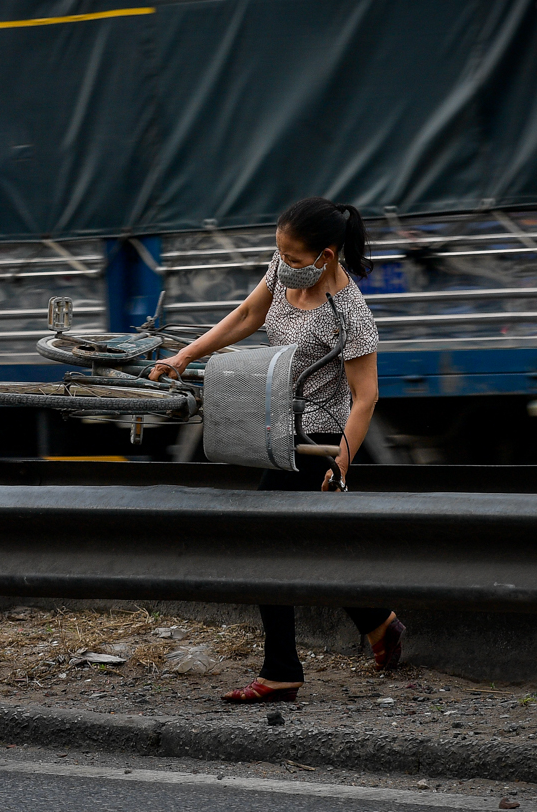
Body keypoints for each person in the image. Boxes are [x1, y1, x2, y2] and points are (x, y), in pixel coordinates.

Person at [148, 196, 404, 703]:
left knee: (263, 544)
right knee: (305, 546)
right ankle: (379, 622)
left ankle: (282, 670)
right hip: (274, 430)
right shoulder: (286, 270)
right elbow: (247, 314)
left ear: (326, 257)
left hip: (317, 442)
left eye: (293, 257)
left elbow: (366, 396)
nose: (282, 263)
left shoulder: (350, 313)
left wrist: (342, 462)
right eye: (279, 253)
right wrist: (183, 356)